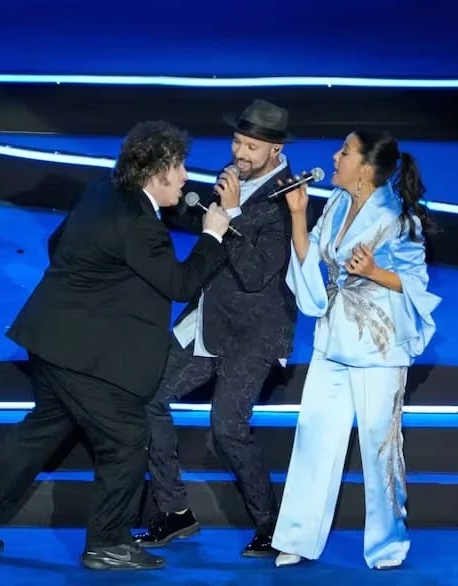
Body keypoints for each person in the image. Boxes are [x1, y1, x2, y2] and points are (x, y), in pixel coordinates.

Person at [0, 120, 232, 571]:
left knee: (46, 426)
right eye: (179, 168)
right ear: (158, 173)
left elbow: (60, 244)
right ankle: (107, 542)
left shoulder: (104, 192)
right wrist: (213, 234)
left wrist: (98, 293)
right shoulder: (139, 225)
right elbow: (181, 283)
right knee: (125, 440)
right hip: (82, 356)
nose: (184, 177)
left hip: (50, 338)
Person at [133, 100, 300, 557]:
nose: (240, 153)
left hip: (255, 330)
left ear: (276, 149)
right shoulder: (234, 177)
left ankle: (272, 525)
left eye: (251, 146)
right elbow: (203, 221)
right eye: (237, 142)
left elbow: (254, 274)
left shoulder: (289, 199)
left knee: (227, 425)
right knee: (148, 398)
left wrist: (229, 215)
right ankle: (174, 512)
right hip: (208, 319)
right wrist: (185, 202)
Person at [270, 130, 441, 569]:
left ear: (365, 167)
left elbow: (416, 286)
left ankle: (388, 545)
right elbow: (315, 268)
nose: (334, 156)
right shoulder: (336, 205)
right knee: (313, 439)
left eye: (344, 151)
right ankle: (297, 537)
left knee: (381, 448)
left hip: (379, 349)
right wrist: (297, 215)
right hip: (332, 342)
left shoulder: (401, 219)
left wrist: (375, 270)